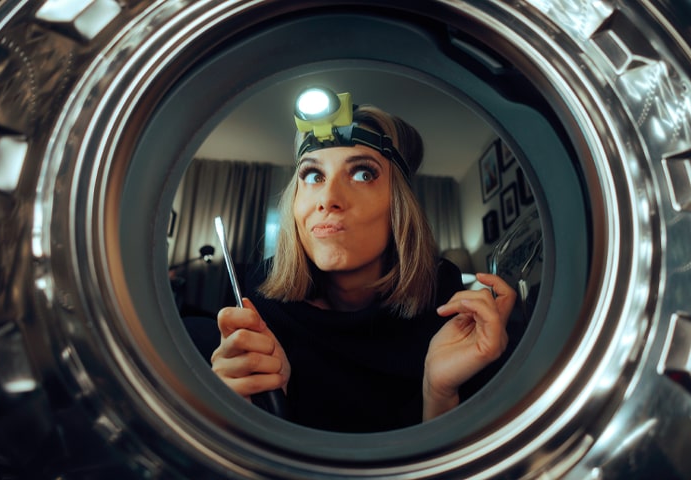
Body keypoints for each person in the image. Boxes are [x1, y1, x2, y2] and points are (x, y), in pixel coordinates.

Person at [208, 90, 516, 432]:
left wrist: (439, 394)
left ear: (399, 203)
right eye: (313, 176)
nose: (328, 198)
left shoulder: (446, 305)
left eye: (363, 174)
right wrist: (239, 415)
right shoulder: (255, 302)